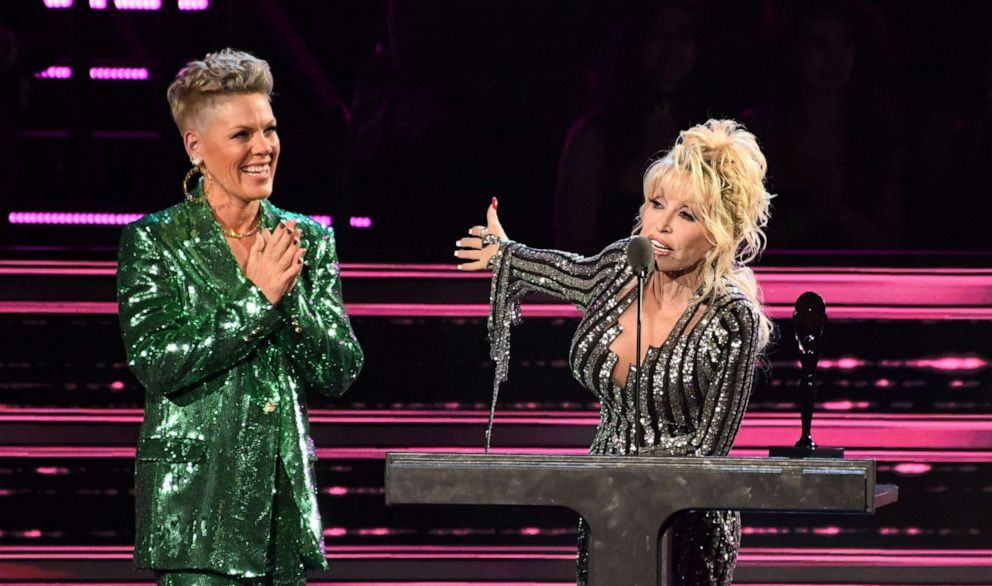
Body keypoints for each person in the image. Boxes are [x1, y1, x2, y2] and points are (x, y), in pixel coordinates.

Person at [455, 119, 773, 585]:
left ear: (720, 233)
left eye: (687, 215)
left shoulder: (731, 318)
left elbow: (710, 449)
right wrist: (505, 254)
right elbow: (567, 271)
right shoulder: (623, 268)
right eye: (656, 204)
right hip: (604, 508)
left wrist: (621, 469)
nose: (660, 225)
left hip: (684, 525)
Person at [116, 49, 364, 585]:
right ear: (196, 147)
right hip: (195, 509)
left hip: (280, 508)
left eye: (268, 129)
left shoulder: (307, 239)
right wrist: (256, 300)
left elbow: (339, 370)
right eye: (241, 135)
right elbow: (156, 361)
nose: (263, 148)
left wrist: (288, 297)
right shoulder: (155, 240)